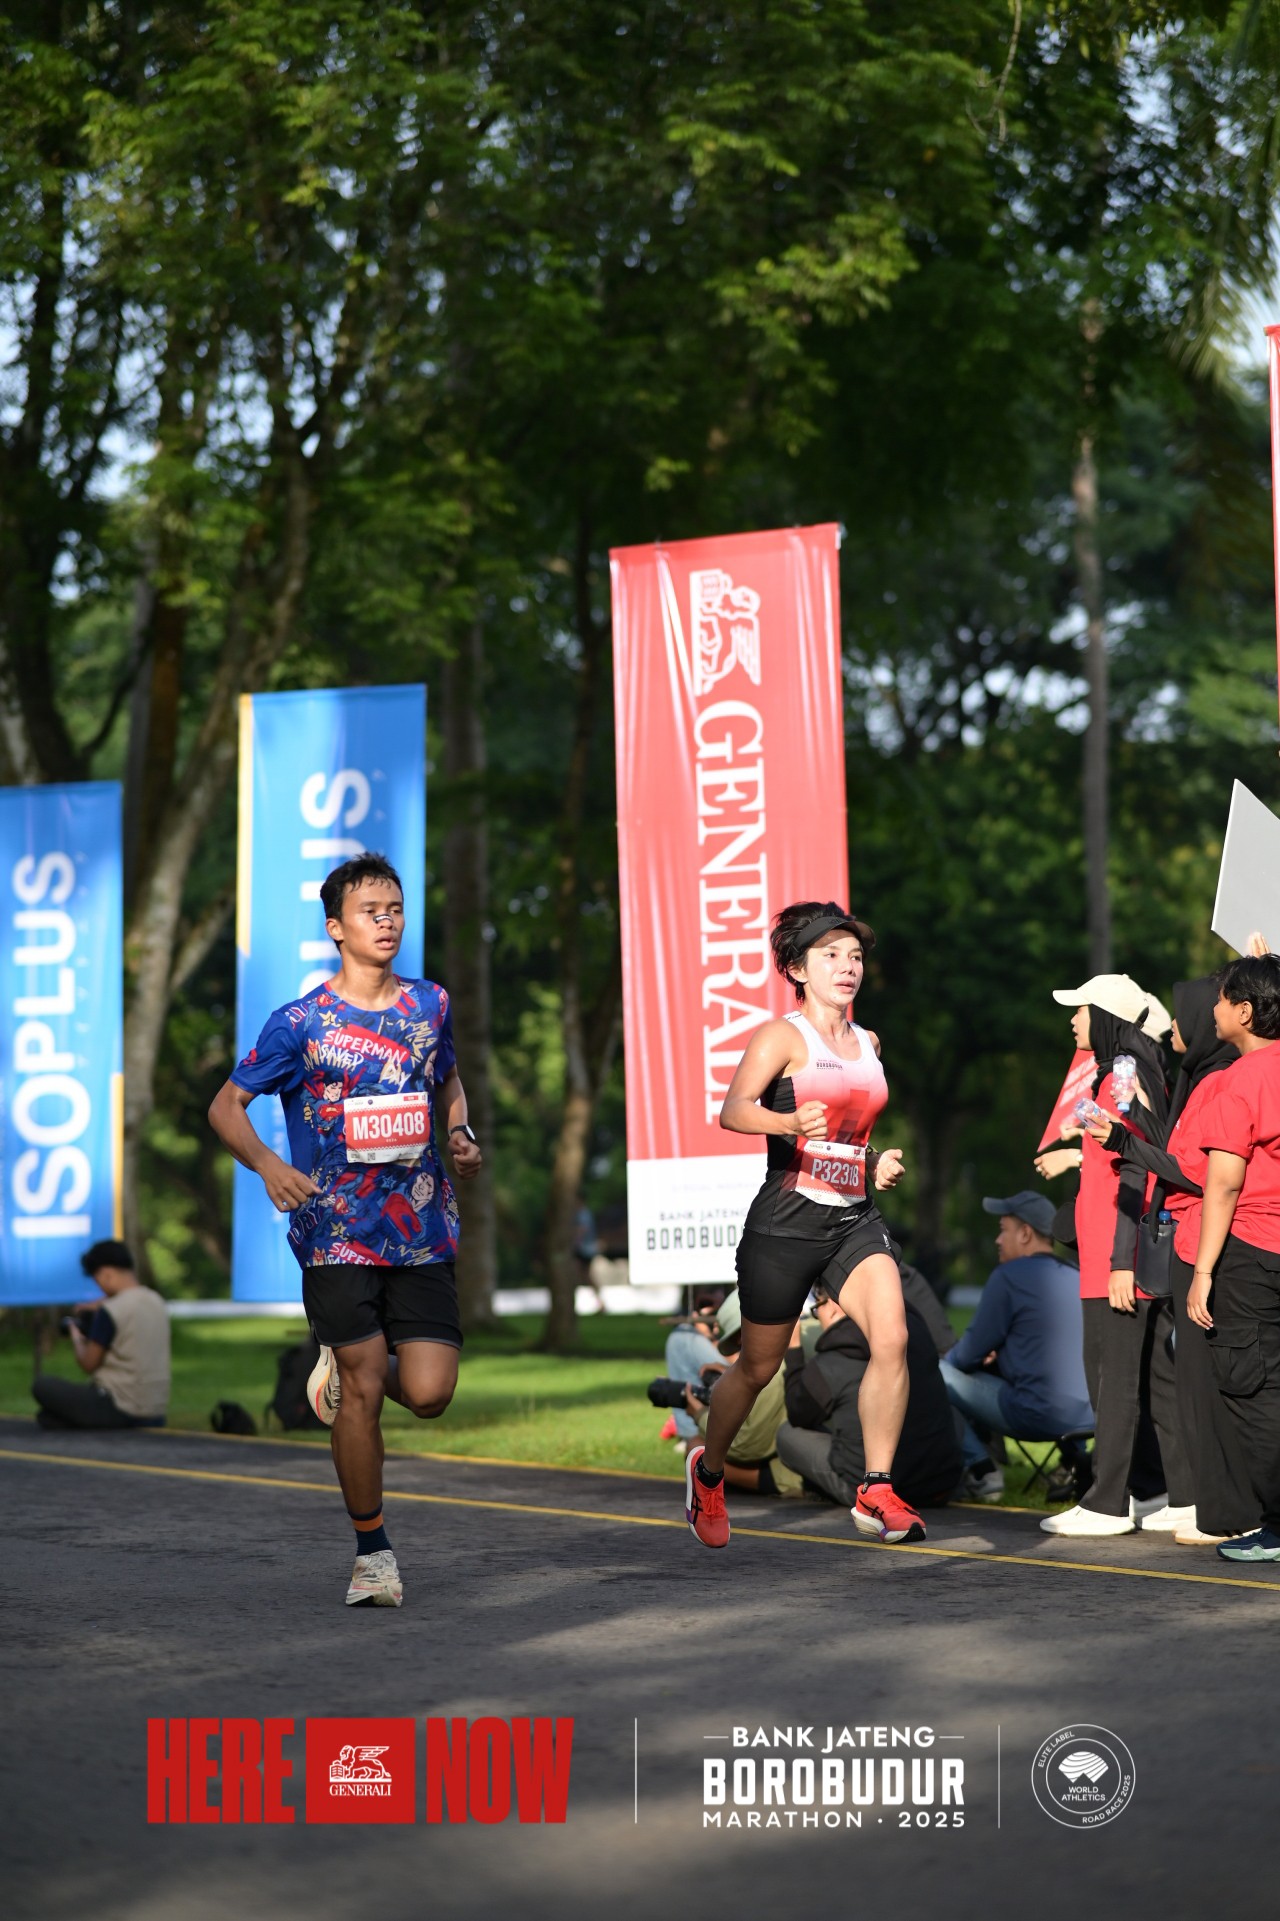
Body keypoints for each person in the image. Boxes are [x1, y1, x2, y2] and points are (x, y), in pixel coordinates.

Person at [208, 853, 482, 1608]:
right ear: (336, 927)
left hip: (421, 1226)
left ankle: (342, 1364)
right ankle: (373, 1553)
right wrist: (268, 1165)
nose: (386, 921)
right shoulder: (300, 1023)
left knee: (428, 1393)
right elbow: (226, 1106)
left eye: (395, 909)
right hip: (334, 1231)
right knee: (364, 1386)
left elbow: (447, 1079)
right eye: (370, 911)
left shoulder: (429, 1003)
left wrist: (460, 1132)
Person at [683, 900, 917, 1551]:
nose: (848, 966)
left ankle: (875, 1487)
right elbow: (733, 1109)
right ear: (797, 969)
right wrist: (787, 1121)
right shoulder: (781, 1038)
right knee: (757, 1369)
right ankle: (708, 1470)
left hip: (853, 1219)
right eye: (830, 955)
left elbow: (848, 1135)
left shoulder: (869, 1044)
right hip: (786, 1223)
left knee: (893, 1337)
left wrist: (876, 1160)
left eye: (855, 956)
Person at [1082, 975, 1258, 1545]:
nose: (1173, 1025)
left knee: (1214, 1380)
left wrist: (1123, 1142)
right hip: (1189, 1240)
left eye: (1188, 1014)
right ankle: (1209, 1503)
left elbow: (1199, 1173)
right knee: (1188, 1380)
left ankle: (1228, 1509)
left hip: (1207, 1238)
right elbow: (1175, 1150)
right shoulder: (1196, 1078)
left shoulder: (1218, 1081)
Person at [1039, 972, 1192, 1538]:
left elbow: (1138, 1159)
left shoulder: (1123, 1070)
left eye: (1080, 1009)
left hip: (1116, 1254)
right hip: (1118, 1250)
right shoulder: (1125, 1070)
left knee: (1112, 1379)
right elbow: (1131, 1136)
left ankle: (1107, 1504)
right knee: (1155, 1379)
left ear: (1105, 1017)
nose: (1072, 1019)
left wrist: (1121, 1261)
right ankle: (1180, 1495)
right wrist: (1082, 1135)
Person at [1186, 954, 1280, 1562]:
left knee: (1254, 1390)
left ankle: (1276, 1524)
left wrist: (1202, 1272)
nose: (1214, 1008)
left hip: (1253, 1251)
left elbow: (1222, 1184)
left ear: (1244, 1012)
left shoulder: (1240, 1080)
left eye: (1222, 999)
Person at [939, 1193, 1093, 1502]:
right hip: (1088, 1418)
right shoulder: (1079, 1275)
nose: (998, 1240)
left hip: (1034, 1416)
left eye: (1003, 1229)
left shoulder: (1008, 1277)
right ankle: (1073, 1463)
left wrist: (965, 1357)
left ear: (1025, 1234)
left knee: (935, 1373)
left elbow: (966, 1355)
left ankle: (982, 1469)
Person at [777, 1280, 962, 1510]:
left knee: (787, 1435)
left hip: (878, 1488)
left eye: (817, 1309)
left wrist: (793, 1350)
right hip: (938, 1486)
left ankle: (860, 1491)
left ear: (834, 1306)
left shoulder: (835, 1359)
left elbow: (799, 1411)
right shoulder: (912, 1326)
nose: (818, 1317)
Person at [32, 1240, 170, 1430]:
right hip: (155, 1409)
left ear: (106, 1274)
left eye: (96, 1280)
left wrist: (77, 1337)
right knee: (48, 1418)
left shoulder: (111, 1311)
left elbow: (88, 1364)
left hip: (119, 1405)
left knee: (43, 1386)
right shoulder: (157, 1301)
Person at [684, 1291, 803, 1496]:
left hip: (798, 1473)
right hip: (815, 1453)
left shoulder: (775, 1371)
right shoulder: (803, 1336)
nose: (740, 1345)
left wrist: (700, 1414)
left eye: (739, 1338)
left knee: (695, 1449)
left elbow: (748, 1447)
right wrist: (733, 1378)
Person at [662, 1296, 724, 1445]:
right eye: (711, 1318)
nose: (716, 1326)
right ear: (695, 1316)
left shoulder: (679, 1334)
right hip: (699, 1428)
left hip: (690, 1425)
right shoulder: (691, 1339)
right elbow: (732, 1374)